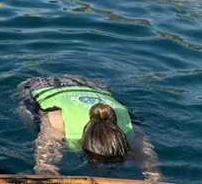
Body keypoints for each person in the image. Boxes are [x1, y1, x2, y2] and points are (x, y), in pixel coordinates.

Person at [15, 75, 161, 181]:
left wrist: (154, 178)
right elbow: (45, 167)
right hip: (40, 85)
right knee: (33, 120)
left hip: (91, 85)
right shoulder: (58, 122)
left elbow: (152, 167)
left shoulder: (127, 128)